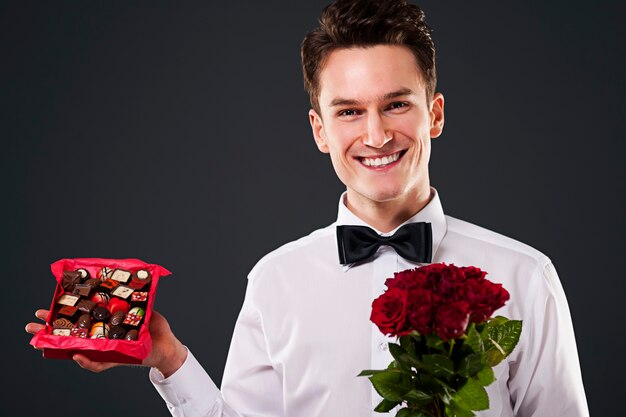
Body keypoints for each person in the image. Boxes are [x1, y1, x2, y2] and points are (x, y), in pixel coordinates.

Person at [26, 0, 589, 415]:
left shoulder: (524, 276)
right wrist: (168, 358)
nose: (375, 134)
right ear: (319, 130)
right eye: (348, 112)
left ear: (434, 114)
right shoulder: (276, 280)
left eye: (396, 105)